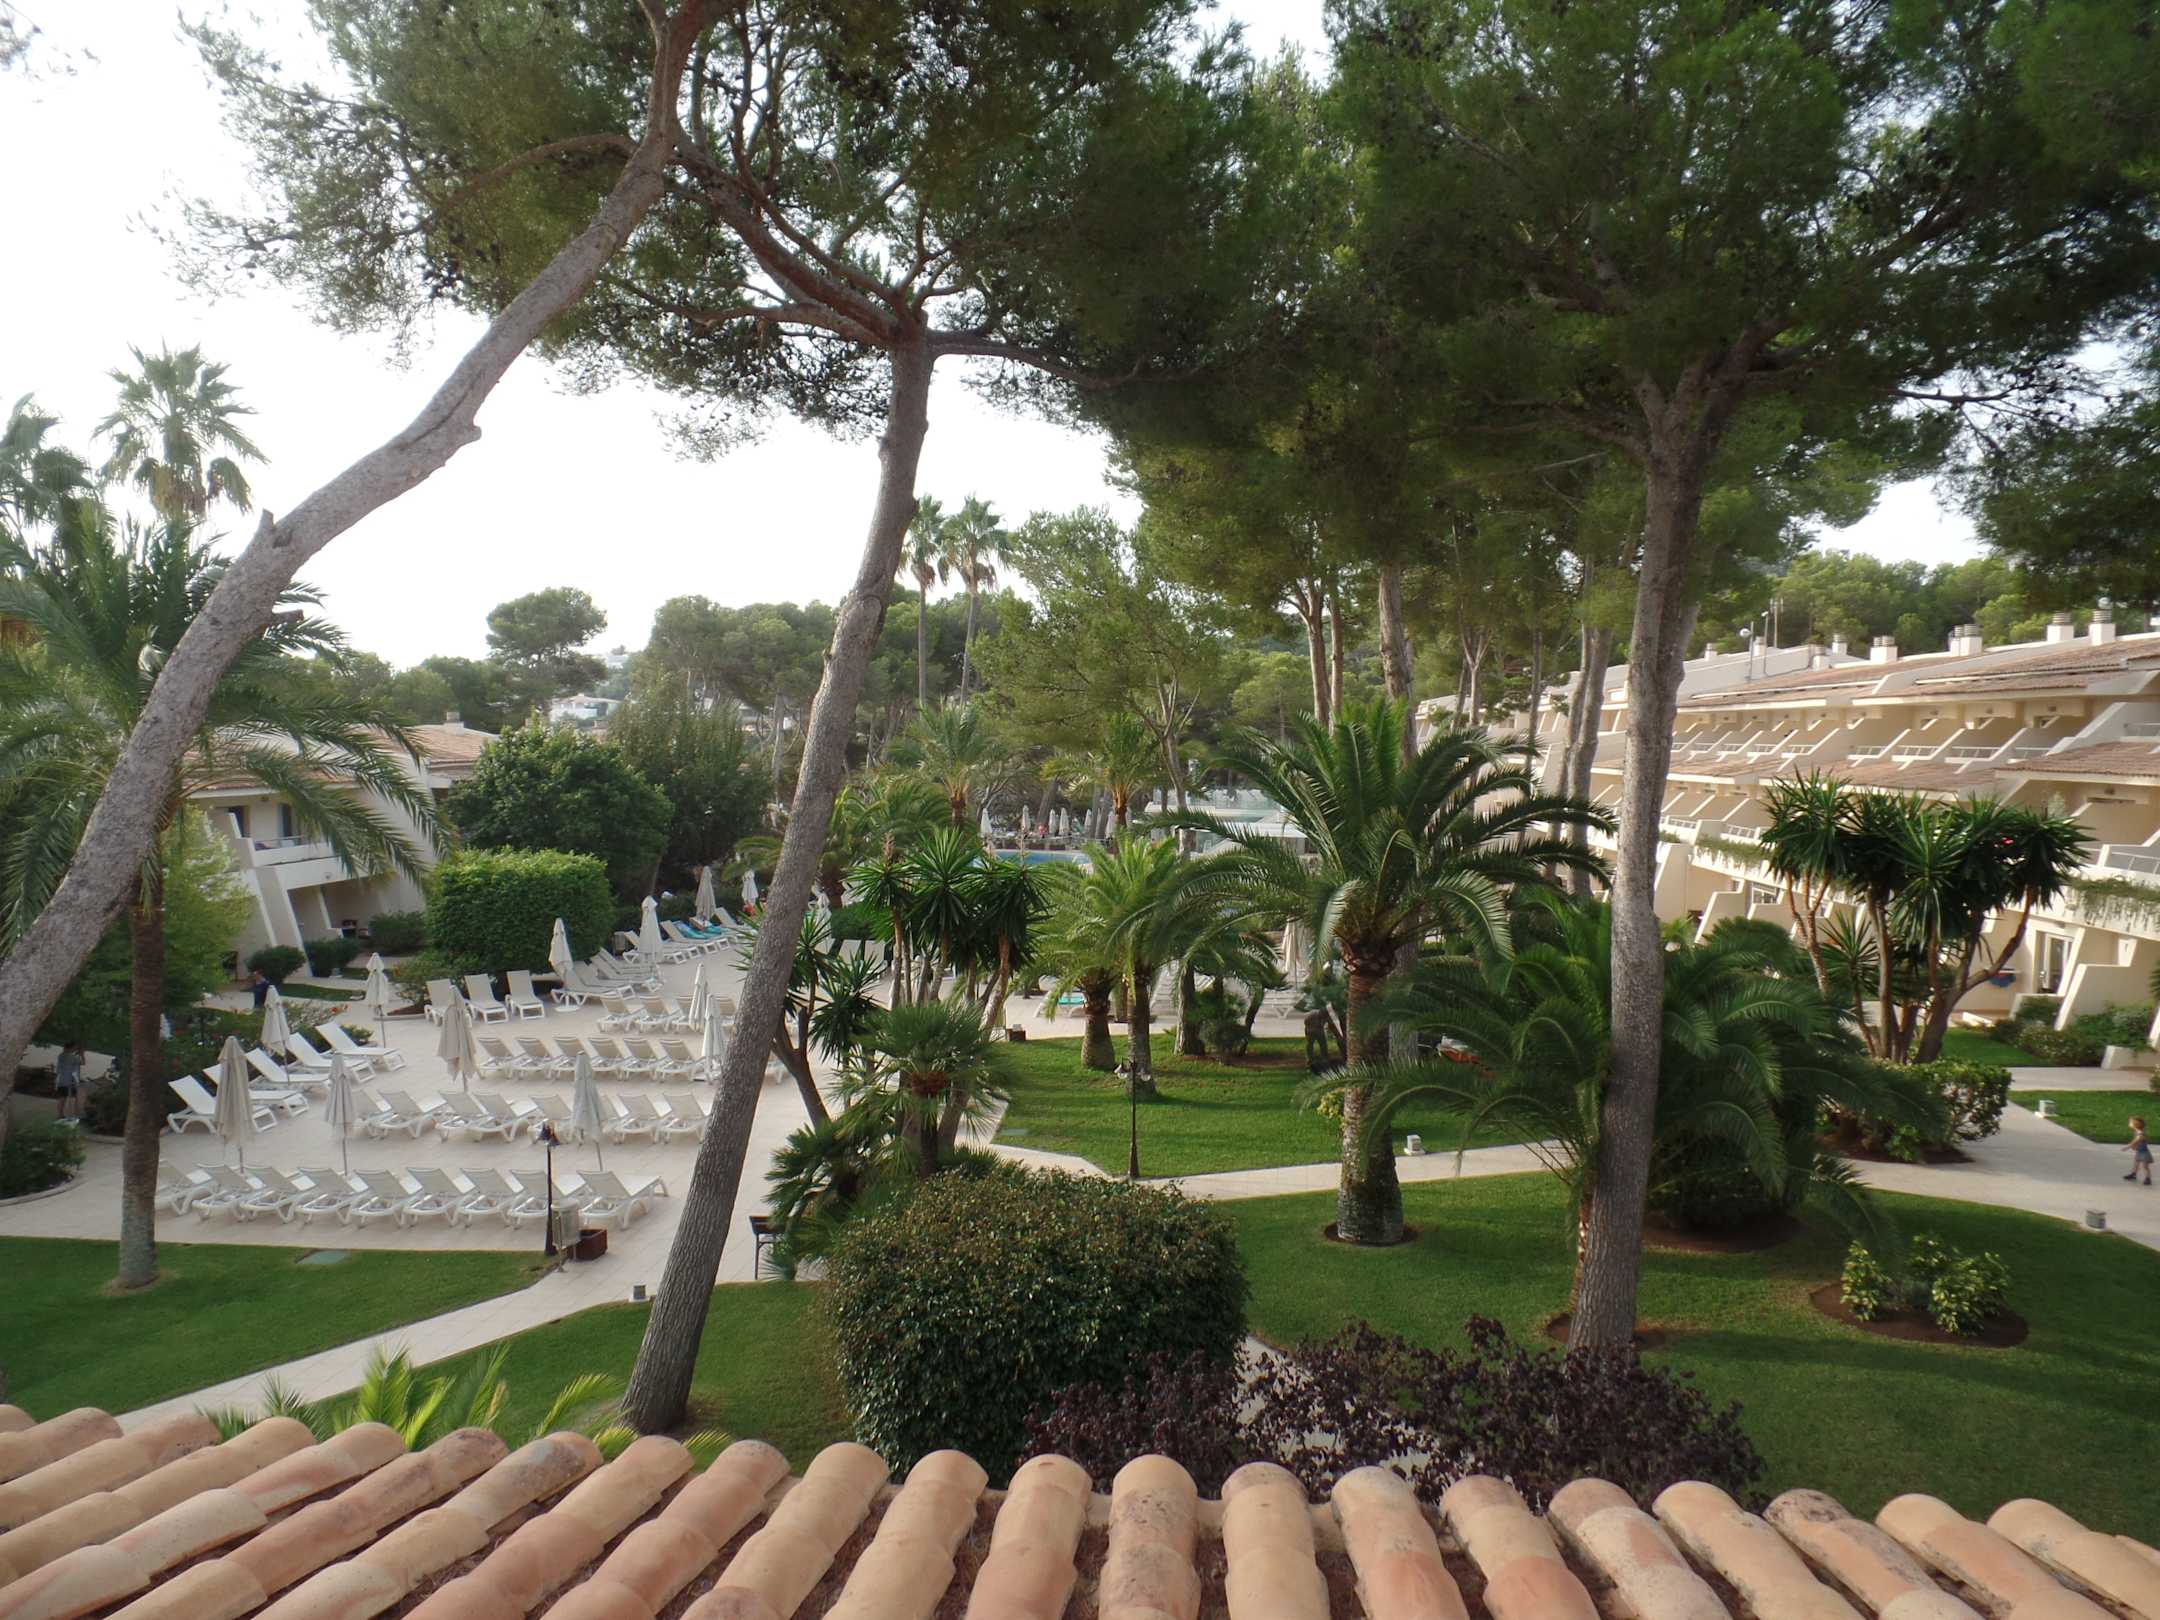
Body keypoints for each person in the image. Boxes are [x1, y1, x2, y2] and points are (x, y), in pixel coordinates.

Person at [54, 1043, 85, 1121]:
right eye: (74, 1048)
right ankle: (72, 1115)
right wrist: (82, 1054)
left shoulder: (61, 1055)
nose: (75, 1049)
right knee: (73, 1098)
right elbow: (83, 1063)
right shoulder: (73, 1057)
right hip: (71, 1080)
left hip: (61, 1079)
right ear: (70, 1048)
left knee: (62, 1098)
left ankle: (60, 1115)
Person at [2126, 1116, 2153, 1187]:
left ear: (2136, 1125)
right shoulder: (2136, 1131)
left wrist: (2129, 1146)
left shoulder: (2140, 1133)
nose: (2129, 1124)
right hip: (2139, 1151)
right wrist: (2134, 1147)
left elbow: (2136, 1140)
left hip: (2144, 1153)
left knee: (2145, 1166)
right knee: (2136, 1164)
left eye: (2131, 1123)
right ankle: (2133, 1174)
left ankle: (2148, 1178)